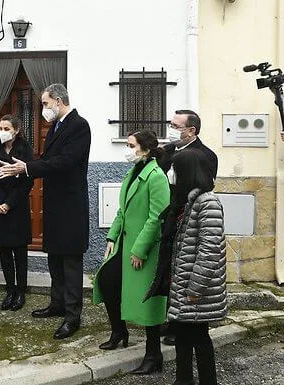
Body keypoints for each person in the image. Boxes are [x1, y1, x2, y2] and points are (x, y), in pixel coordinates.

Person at [0, 83, 91, 339]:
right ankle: (57, 304)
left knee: (70, 262)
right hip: (56, 204)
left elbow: (66, 162)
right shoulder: (57, 126)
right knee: (55, 259)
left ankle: (72, 316)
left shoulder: (79, 126)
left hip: (70, 206)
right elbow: (48, 161)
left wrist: (26, 169)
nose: (44, 109)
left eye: (46, 104)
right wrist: (27, 167)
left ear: (59, 100)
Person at [92, 130, 170, 375]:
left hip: (144, 248)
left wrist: (139, 250)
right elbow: (121, 212)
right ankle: (119, 332)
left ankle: (153, 355)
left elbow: (157, 218)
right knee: (107, 281)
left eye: (130, 145)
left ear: (145, 150)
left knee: (149, 302)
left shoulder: (156, 176)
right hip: (125, 244)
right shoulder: (133, 172)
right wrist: (112, 236)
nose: (127, 149)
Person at [167, 149, 227, 385]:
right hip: (186, 285)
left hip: (196, 289)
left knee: (199, 337)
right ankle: (183, 380)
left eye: (176, 170)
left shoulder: (207, 202)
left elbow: (209, 251)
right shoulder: (191, 200)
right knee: (183, 335)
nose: (173, 174)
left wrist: (194, 289)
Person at [159, 109, 218, 346]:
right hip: (169, 214)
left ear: (191, 130)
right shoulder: (170, 151)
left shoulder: (206, 155)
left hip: (188, 218)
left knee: (185, 271)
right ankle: (171, 317)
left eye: (176, 126)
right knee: (169, 269)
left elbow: (203, 187)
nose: (171, 129)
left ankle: (183, 325)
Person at [0, 115, 34, 311]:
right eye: (0, 127)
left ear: (16, 130)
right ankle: (9, 290)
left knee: (20, 253)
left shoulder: (24, 149)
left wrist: (9, 203)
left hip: (17, 207)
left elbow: (27, 182)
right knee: (4, 252)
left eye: (6, 128)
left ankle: (21, 291)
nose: (2, 131)